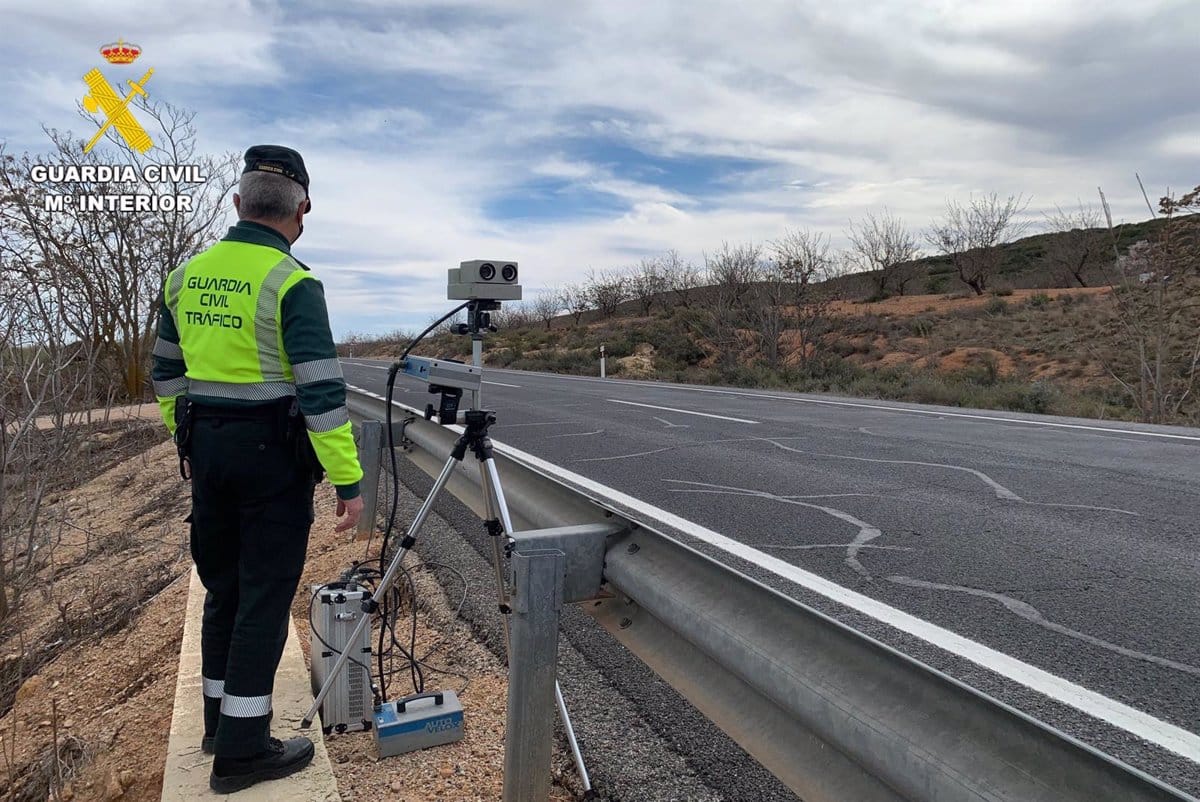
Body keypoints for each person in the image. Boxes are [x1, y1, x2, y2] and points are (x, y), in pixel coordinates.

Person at [151, 145, 364, 793]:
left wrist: (191, 435)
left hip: (207, 453)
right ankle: (243, 752)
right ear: (302, 211)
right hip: (272, 464)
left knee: (226, 591)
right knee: (264, 603)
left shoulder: (185, 277)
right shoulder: (293, 283)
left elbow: (165, 375)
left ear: (238, 204)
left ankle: (219, 723)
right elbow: (323, 395)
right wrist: (349, 483)